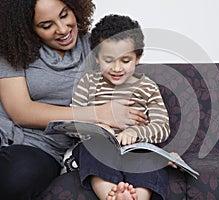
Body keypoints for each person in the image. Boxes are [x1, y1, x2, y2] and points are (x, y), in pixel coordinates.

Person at [0, 1, 147, 199]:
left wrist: (161, 152)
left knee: (17, 176)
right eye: (46, 25)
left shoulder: (96, 48)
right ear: (27, 27)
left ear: (75, 8)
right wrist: (98, 113)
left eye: (64, 15)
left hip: (41, 148)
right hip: (5, 133)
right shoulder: (13, 51)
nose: (62, 30)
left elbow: (131, 93)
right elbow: (21, 112)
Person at [71, 14, 171, 200]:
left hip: (135, 148)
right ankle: (111, 195)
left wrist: (135, 132)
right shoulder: (87, 83)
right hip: (98, 145)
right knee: (92, 150)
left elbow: (162, 127)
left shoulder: (147, 87)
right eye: (109, 60)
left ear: (137, 57)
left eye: (125, 61)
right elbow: (72, 121)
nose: (117, 68)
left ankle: (136, 197)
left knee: (147, 160)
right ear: (97, 57)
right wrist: (97, 127)